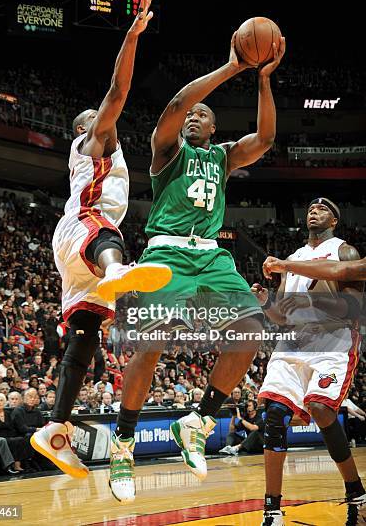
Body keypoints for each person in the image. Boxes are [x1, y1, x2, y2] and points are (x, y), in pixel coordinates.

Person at [110, 32, 285, 503]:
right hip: (166, 254)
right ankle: (123, 442)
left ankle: (199, 419)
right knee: (150, 346)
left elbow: (266, 138)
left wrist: (263, 79)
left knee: (252, 330)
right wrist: (232, 67)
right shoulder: (168, 153)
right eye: (191, 114)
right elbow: (174, 104)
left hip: (210, 255)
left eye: (202, 115)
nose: (192, 116)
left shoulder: (224, 157)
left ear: (213, 129)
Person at [31, 0, 172, 479]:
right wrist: (132, 37)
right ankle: (118, 270)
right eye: (93, 116)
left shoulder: (99, 150)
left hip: (74, 254)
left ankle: (55, 427)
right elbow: (118, 90)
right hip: (85, 230)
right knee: (110, 239)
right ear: (82, 129)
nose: (102, 117)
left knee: (87, 336)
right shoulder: (94, 141)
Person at [254, 198, 365, 525]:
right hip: (294, 340)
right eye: (310, 207)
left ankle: (356, 494)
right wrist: (265, 303)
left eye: (323, 207)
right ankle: (272, 510)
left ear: (334, 218)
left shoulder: (344, 251)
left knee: (320, 408)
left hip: (333, 337)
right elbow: (282, 317)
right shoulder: (292, 258)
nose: (314, 210)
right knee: (274, 414)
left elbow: (352, 309)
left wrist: (317, 301)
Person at [0, 393, 30, 472]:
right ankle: (11, 466)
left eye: (1, 401)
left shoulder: (7, 413)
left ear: (4, 402)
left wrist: (12, 436)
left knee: (20, 439)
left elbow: (12, 428)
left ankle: (18, 464)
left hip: (9, 436)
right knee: (12, 441)